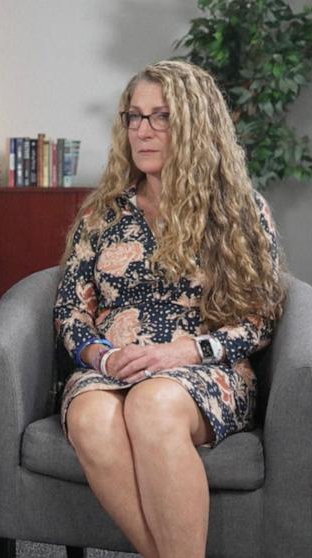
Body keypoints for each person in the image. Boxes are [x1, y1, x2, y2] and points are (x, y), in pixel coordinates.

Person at [54, 60, 286, 558]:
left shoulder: (240, 211)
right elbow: (70, 311)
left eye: (161, 117)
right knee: (92, 418)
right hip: (111, 369)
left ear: (195, 124)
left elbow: (260, 320)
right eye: (134, 117)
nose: (143, 130)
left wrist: (183, 352)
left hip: (204, 368)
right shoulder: (103, 214)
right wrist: (103, 358)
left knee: (153, 405)